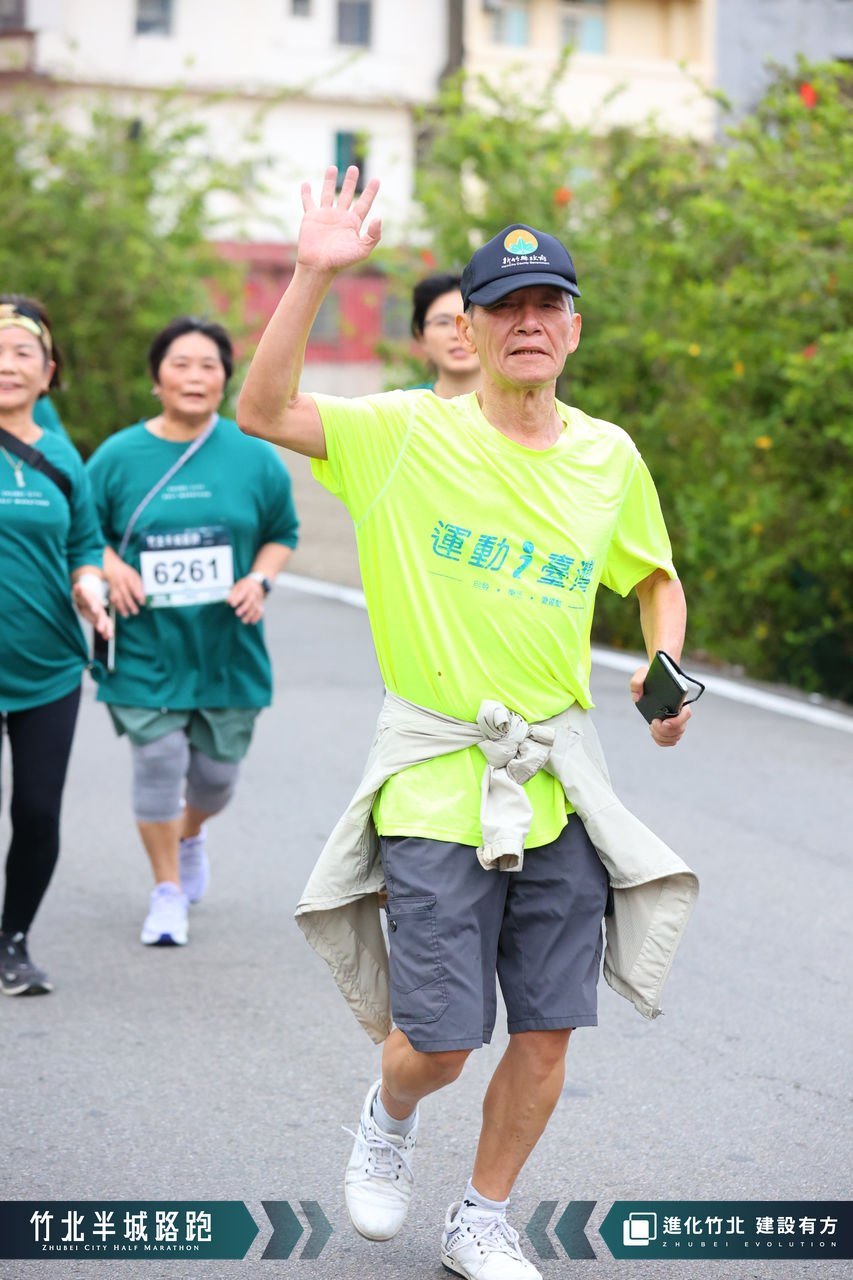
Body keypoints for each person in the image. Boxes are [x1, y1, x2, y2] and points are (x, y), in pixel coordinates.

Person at [237, 168, 698, 1280]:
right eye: (505, 307)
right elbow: (263, 412)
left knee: (545, 1029)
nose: (528, 323)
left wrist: (665, 669)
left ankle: (481, 1216)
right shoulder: (404, 433)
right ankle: (388, 1114)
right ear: (472, 329)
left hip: (558, 778)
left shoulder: (607, 455)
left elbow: (654, 576)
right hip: (438, 775)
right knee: (440, 1042)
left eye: (549, 305)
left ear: (572, 328)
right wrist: (311, 274)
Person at [86, 316, 299, 949]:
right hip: (145, 644)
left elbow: (281, 534)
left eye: (209, 365)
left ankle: (190, 832)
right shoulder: (118, 456)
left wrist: (258, 580)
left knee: (216, 778)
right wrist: (110, 564)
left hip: (226, 648)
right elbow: (82, 533)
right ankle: (167, 890)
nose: (195, 376)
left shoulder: (253, 456)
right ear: (157, 378)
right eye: (180, 363)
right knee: (158, 762)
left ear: (225, 380)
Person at [0, 296, 112, 996]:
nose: (7, 365)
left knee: (38, 812)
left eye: (22, 354)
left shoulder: (65, 455)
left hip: (47, 666)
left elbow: (83, 545)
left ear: (48, 372)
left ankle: (13, 939)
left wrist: (90, 589)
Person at [409, 273, 481, 398]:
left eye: (468, 321)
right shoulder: (402, 405)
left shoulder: (516, 405)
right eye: (443, 322)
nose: (457, 334)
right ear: (421, 337)